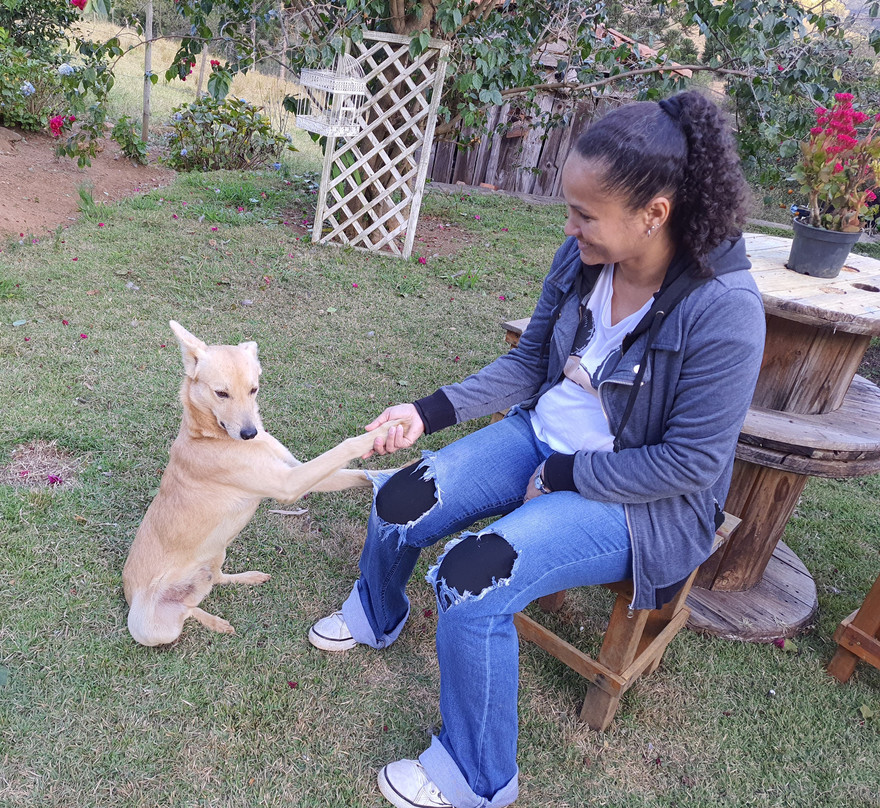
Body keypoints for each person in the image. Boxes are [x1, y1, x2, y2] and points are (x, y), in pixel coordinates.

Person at [307, 91, 766, 808]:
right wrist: (427, 412)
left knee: (470, 578)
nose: (569, 227)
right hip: (543, 436)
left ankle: (477, 776)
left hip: (641, 503)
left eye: (585, 214)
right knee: (400, 497)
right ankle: (376, 609)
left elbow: (691, 464)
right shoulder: (583, 260)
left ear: (654, 214)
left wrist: (561, 474)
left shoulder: (725, 310)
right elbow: (528, 365)